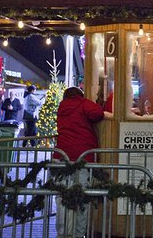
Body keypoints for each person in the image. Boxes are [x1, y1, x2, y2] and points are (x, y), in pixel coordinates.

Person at [54, 87, 104, 238]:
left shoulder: (62, 107)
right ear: (80, 95)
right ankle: (78, 234)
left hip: (61, 156)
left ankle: (62, 233)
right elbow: (98, 114)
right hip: (82, 157)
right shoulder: (82, 103)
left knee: (62, 196)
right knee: (82, 196)